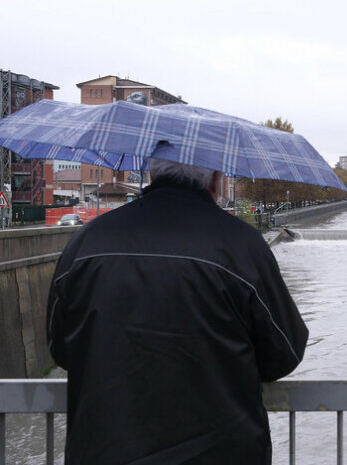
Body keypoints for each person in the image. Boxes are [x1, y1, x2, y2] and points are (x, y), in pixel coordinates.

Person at [47, 158, 308, 464]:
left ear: (151, 173)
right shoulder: (241, 244)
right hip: (222, 452)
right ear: (216, 179)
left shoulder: (86, 242)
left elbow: (61, 348)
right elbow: (284, 353)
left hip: (104, 451)